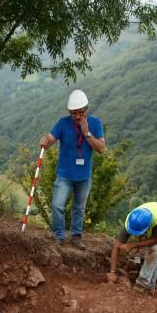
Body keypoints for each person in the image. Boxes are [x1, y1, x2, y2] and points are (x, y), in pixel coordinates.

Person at [40, 89, 105, 248]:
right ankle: (58, 236)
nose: (76, 116)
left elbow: (101, 148)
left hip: (84, 176)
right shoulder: (63, 123)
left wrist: (87, 133)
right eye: (73, 113)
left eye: (80, 113)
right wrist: (45, 141)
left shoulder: (95, 123)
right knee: (57, 205)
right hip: (65, 174)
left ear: (86, 110)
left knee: (79, 208)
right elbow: (50, 138)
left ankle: (76, 236)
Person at [108, 202, 157, 293]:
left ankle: (141, 285)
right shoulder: (132, 221)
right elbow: (116, 246)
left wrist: (132, 245)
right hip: (152, 220)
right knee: (151, 251)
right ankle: (150, 288)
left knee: (153, 248)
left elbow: (155, 241)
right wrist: (112, 272)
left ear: (148, 226)